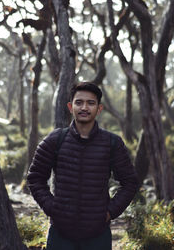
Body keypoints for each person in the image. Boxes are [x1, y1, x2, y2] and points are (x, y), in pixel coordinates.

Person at [27, 82, 138, 250]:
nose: (84, 107)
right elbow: (35, 178)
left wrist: (108, 213)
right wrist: (52, 208)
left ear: (99, 109)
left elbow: (129, 183)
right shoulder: (55, 140)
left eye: (90, 103)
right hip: (60, 235)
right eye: (79, 102)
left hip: (97, 235)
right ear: (71, 107)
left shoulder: (112, 143)